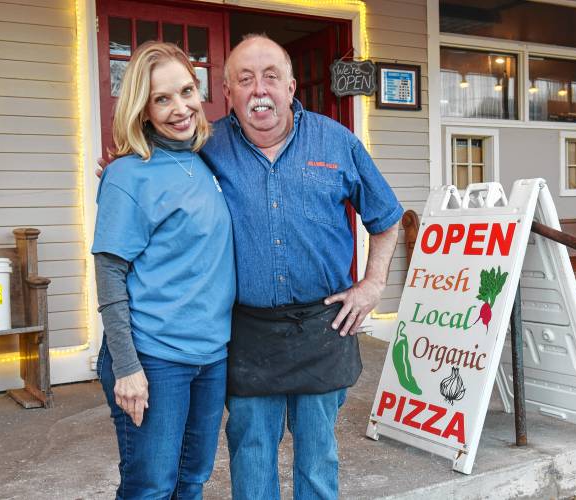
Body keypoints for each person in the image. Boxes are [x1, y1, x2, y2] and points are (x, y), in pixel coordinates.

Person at [199, 34, 402, 499]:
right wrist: (128, 168)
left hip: (322, 326)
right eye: (245, 80)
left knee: (317, 459)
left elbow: (387, 219)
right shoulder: (206, 147)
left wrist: (372, 286)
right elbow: (159, 177)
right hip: (248, 331)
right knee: (250, 452)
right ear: (228, 92)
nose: (259, 90)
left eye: (271, 76)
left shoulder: (337, 142)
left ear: (292, 87)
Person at [91, 41, 235, 499]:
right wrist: (128, 369)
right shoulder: (128, 175)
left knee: (192, 480)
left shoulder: (206, 160)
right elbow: (110, 275)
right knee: (150, 487)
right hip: (154, 358)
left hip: (211, 355)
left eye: (187, 91)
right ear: (142, 108)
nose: (180, 108)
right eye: (162, 98)